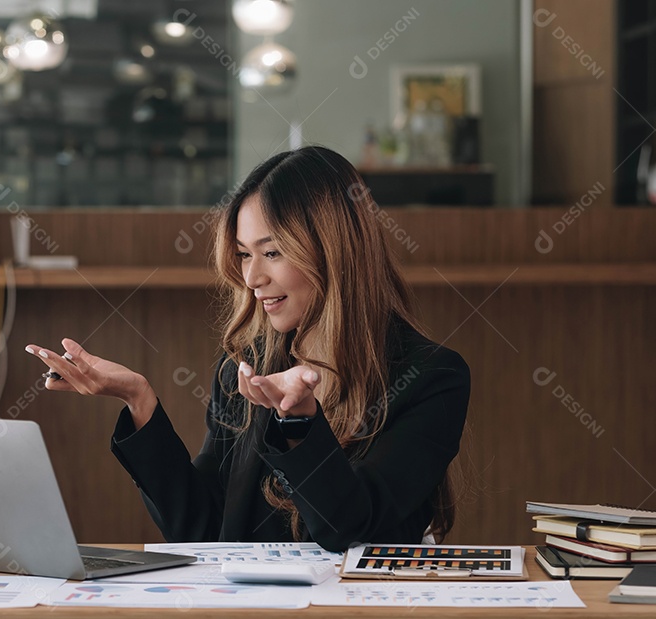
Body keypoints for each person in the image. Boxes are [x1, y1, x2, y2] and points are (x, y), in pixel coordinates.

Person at [25, 146, 470, 551]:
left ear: (334, 252)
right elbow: (199, 530)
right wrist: (139, 400)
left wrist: (298, 424)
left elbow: (350, 528)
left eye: (272, 252)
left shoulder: (432, 377)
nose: (252, 278)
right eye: (243, 254)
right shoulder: (246, 367)